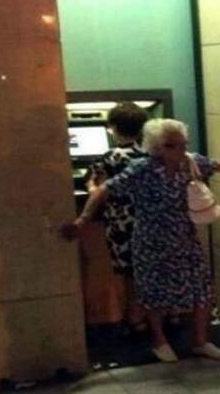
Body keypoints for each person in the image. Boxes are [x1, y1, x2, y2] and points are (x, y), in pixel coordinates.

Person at [61, 119, 220, 363]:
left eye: (182, 144)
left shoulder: (192, 162)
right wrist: (82, 220)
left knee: (200, 292)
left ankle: (200, 341)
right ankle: (160, 341)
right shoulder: (141, 168)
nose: (178, 150)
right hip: (150, 241)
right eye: (171, 145)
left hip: (185, 240)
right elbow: (105, 190)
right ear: (155, 147)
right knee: (154, 294)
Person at [84, 101, 149, 330]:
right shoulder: (152, 153)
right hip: (150, 220)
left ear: (112, 128)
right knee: (151, 268)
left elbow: (95, 187)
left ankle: (134, 319)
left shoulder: (110, 157)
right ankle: (164, 316)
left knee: (128, 273)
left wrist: (92, 188)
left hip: (121, 223)